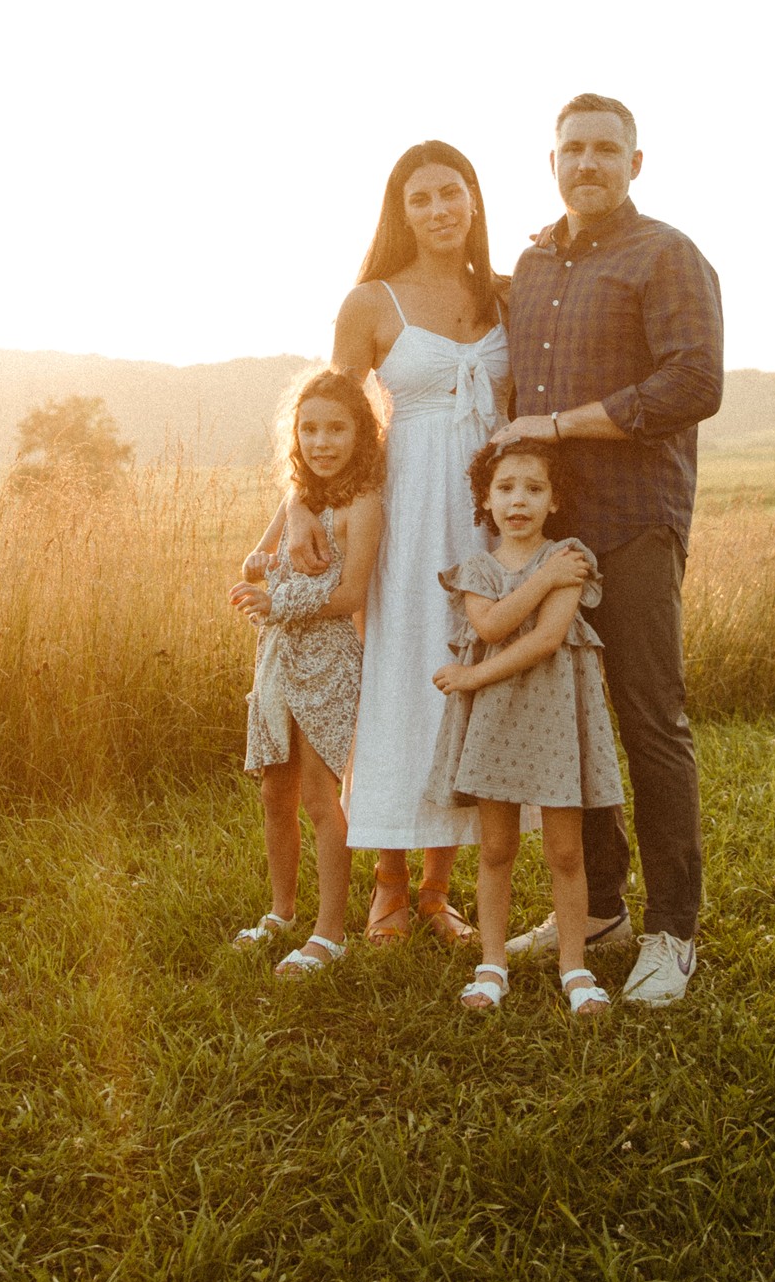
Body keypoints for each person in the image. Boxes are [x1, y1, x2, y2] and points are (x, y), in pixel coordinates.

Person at [493, 93, 723, 1005]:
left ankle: (672, 931)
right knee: (568, 721)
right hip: (549, 535)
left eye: (603, 149)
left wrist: (561, 425)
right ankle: (596, 912)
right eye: (571, 149)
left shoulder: (665, 254)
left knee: (647, 721)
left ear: (635, 161)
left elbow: (693, 382)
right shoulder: (531, 262)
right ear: (551, 161)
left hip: (634, 521)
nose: (586, 162)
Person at [285, 141, 511, 944]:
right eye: (421, 198)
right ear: (401, 212)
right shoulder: (370, 302)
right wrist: (304, 506)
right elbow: (333, 415)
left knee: (467, 678)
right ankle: (386, 880)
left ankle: (437, 890)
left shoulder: (505, 295)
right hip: (405, 510)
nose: (439, 209)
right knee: (398, 677)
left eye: (451, 192)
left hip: (487, 514)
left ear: (473, 200)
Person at [426, 437, 624, 1018]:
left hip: (555, 721)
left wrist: (470, 676)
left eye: (534, 489)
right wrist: (540, 581)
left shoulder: (569, 558)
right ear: (485, 500)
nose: (519, 500)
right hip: (495, 721)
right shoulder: (477, 570)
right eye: (506, 488)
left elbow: (545, 638)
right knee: (496, 847)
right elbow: (489, 626)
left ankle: (574, 966)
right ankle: (492, 964)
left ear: (554, 500)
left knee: (565, 850)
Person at [228, 369, 383, 974]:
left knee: (320, 794)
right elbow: (258, 560)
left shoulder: (362, 503)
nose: (321, 442)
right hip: (276, 656)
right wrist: (260, 562)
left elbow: (351, 594)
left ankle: (330, 932)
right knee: (275, 790)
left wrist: (278, 601)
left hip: (328, 659)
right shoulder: (298, 497)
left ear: (361, 433)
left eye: (336, 429)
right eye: (309, 428)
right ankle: (281, 912)